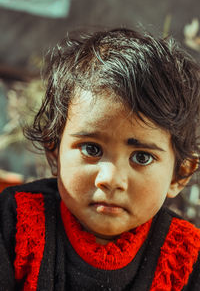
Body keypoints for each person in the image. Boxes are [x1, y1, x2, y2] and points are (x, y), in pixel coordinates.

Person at [1, 28, 200, 291]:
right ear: (54, 151)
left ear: (180, 174)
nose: (110, 179)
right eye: (92, 149)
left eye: (141, 157)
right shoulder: (14, 221)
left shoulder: (186, 257)